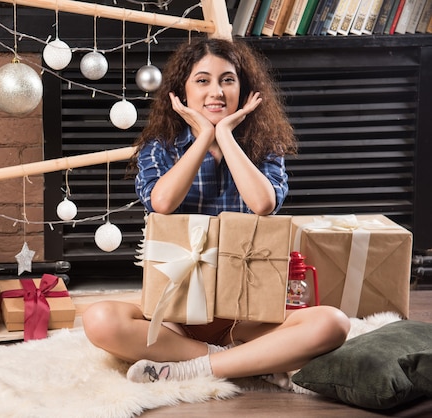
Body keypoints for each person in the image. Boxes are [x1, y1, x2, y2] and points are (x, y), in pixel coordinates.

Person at [82, 38, 350, 384]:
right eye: (202, 80)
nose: (216, 92)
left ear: (244, 89)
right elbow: (161, 203)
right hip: (176, 319)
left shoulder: (265, 147)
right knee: (100, 319)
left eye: (227, 80)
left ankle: (195, 368)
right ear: (181, 93)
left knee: (334, 323)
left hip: (247, 315)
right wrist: (203, 138)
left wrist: (224, 134)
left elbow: (263, 203)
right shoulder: (158, 149)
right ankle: (241, 363)